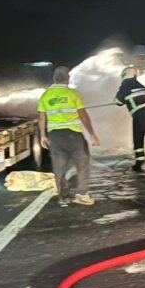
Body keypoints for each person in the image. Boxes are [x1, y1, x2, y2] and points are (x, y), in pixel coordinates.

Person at [38, 66, 100, 207]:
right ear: (67, 79)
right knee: (82, 162)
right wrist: (92, 134)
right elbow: (83, 115)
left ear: (54, 78)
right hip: (73, 135)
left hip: (55, 136)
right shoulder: (73, 94)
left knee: (59, 167)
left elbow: (42, 117)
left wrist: (43, 135)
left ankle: (63, 198)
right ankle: (82, 194)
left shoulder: (46, 95)